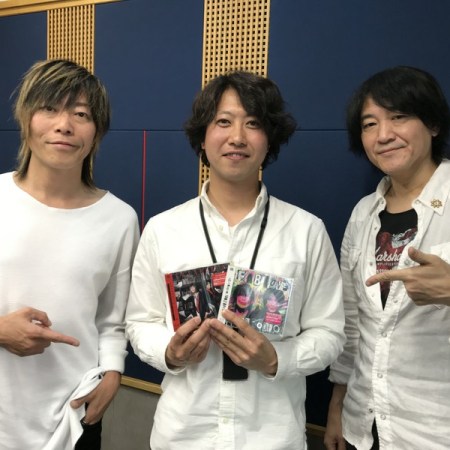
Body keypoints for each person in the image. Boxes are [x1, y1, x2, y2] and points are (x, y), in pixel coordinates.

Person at [126, 70, 345, 449]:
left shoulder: (306, 230)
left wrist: (276, 359)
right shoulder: (163, 229)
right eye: (223, 122)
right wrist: (169, 352)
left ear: (269, 138)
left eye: (253, 123)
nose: (238, 137)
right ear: (203, 136)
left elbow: (330, 332)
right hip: (184, 436)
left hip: (272, 438)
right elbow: (140, 321)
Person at [0, 59, 140, 450]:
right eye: (49, 109)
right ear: (26, 119)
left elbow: (113, 320)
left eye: (81, 114)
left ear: (96, 132)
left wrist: (112, 372)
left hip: (73, 417)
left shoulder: (119, 219)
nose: (64, 125)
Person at [324, 66, 450, 450]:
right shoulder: (364, 213)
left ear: (432, 124)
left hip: (436, 430)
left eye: (398, 117)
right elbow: (352, 323)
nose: (383, 135)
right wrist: (338, 405)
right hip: (366, 425)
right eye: (369, 124)